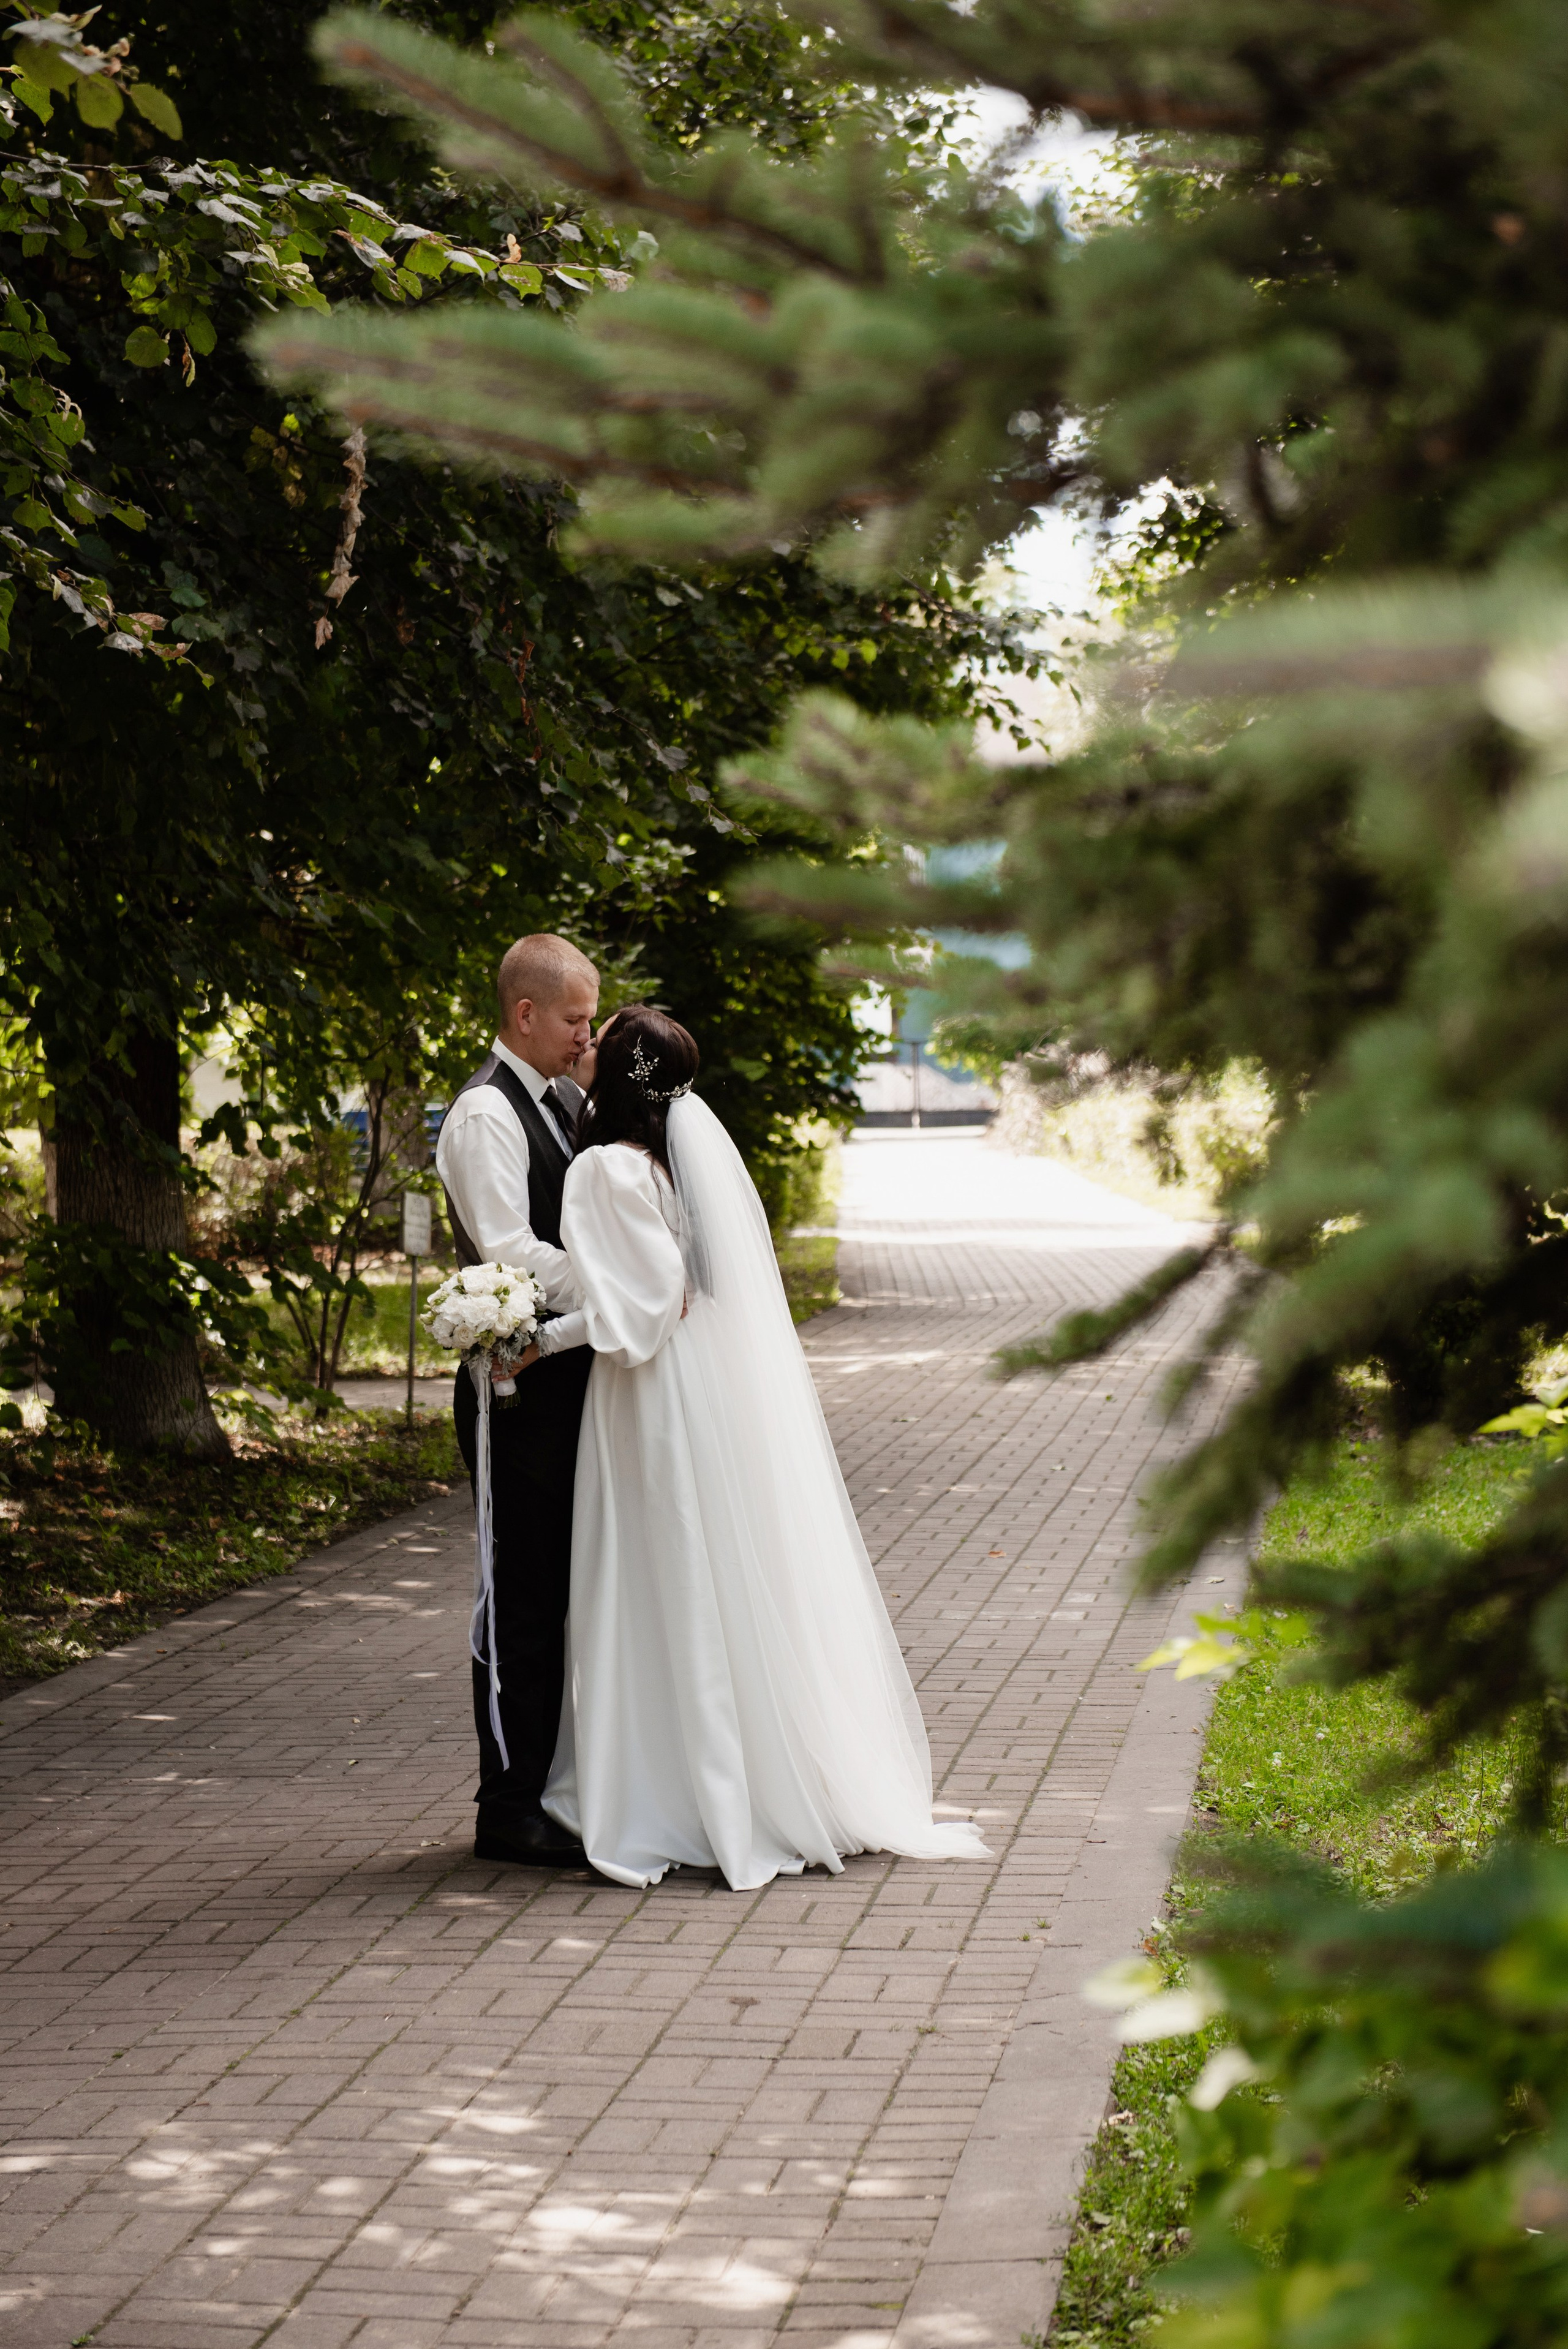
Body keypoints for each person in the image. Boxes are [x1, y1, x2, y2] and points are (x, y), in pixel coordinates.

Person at [507, 1003, 992, 1891]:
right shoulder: (664, 1164)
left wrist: (543, 1338)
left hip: (647, 1395)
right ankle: (717, 1775)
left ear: (617, 1073)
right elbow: (673, 1291)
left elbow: (640, 1310)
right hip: (695, 1384)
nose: (583, 1045)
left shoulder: (605, 1169)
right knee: (704, 1571)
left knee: (658, 1576)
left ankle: (668, 1796)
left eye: (597, 1038)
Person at [434, 933, 597, 1867]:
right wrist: (615, 1281)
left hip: (567, 1382)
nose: (585, 1038)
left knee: (563, 1588)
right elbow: (508, 1250)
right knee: (520, 1595)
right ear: (525, 1015)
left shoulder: (562, 1101)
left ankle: (553, 1786)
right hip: (512, 1399)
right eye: (575, 1020)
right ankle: (507, 1805)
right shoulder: (484, 1116)